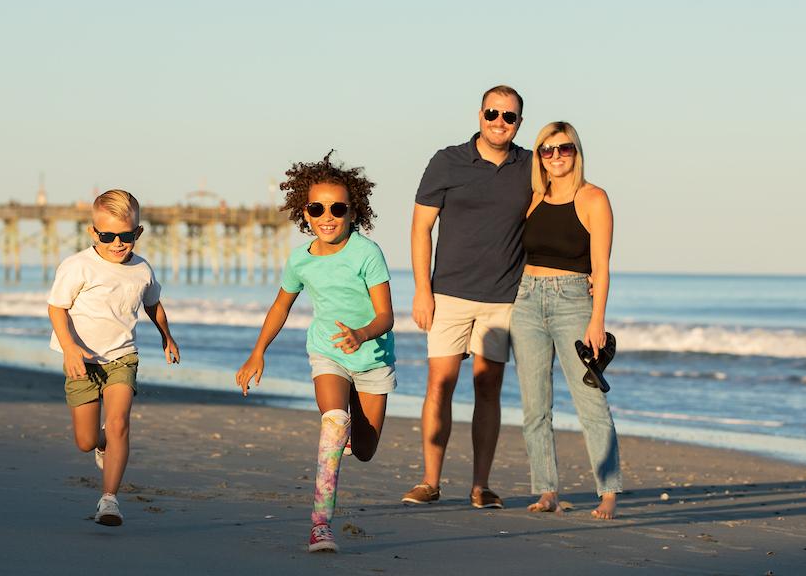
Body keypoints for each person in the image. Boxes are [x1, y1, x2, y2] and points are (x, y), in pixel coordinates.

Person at [235, 152, 395, 554]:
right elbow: (280, 306)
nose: (327, 216)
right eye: (317, 208)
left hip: (372, 357)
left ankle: (345, 435)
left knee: (364, 450)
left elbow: (387, 315)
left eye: (337, 208)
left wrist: (361, 334)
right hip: (328, 353)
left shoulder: (367, 253)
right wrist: (258, 352)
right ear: (303, 211)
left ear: (352, 211)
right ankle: (320, 525)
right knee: (334, 419)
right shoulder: (300, 259)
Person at [403, 85, 533, 509]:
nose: (500, 121)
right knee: (440, 383)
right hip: (449, 293)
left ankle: (481, 485)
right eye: (493, 113)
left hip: (503, 297)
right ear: (479, 114)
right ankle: (429, 481)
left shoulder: (532, 167)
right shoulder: (447, 161)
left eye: (509, 116)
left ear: (519, 122)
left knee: (488, 388)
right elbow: (421, 227)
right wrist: (423, 289)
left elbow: (561, 213)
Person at [46, 189, 181, 526]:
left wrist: (167, 336)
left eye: (126, 236)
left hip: (123, 357)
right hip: (82, 360)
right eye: (108, 236)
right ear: (94, 233)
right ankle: (101, 442)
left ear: (138, 232)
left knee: (120, 422)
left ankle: (109, 501)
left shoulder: (142, 269)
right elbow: (56, 307)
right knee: (86, 440)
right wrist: (69, 347)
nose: (117, 243)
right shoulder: (77, 266)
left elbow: (153, 304)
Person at [509, 121, 621, 519]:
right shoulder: (533, 199)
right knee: (534, 405)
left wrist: (597, 320)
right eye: (547, 150)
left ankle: (607, 490)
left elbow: (602, 268)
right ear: (539, 155)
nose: (556, 156)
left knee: (591, 399)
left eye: (564, 148)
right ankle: (546, 490)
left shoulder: (594, 198)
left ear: (576, 151)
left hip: (574, 302)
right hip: (526, 300)